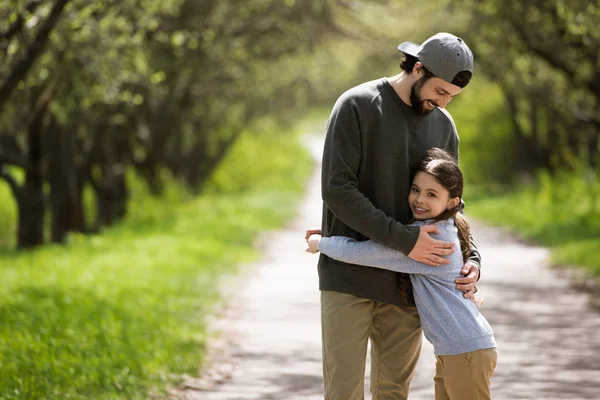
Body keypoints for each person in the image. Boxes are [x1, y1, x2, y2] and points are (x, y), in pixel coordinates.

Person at [310, 32, 482, 400]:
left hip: (408, 285)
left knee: (393, 393)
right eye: (440, 91)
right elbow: (338, 190)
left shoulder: (444, 125)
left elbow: (451, 207)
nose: (444, 102)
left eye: (452, 96)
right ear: (418, 68)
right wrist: (406, 240)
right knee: (343, 392)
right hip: (348, 277)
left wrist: (471, 259)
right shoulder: (357, 105)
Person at [307, 149, 497, 400]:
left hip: (466, 352)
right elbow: (383, 239)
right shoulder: (439, 227)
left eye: (432, 194)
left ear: (452, 202)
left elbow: (367, 253)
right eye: (416, 189)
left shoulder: (432, 240)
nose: (420, 199)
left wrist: (321, 243)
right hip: (459, 350)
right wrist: (333, 232)